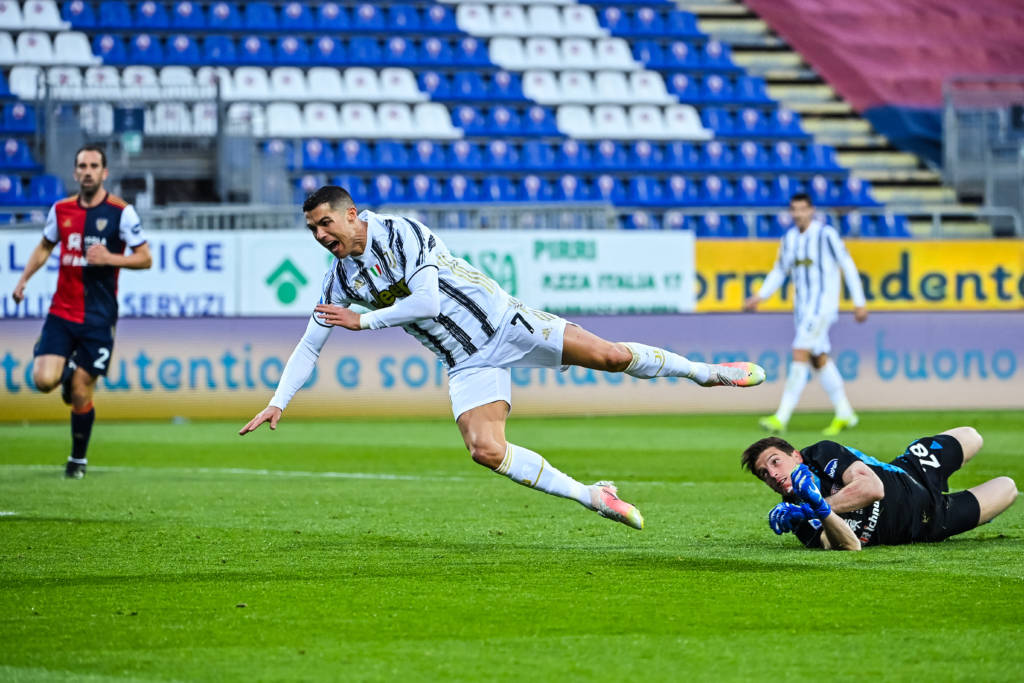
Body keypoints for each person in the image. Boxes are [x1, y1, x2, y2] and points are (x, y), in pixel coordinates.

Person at [240, 185, 767, 530]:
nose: (320, 235)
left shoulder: (400, 232)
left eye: (325, 223)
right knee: (485, 450)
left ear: (351, 215)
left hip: (504, 323)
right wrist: (279, 400)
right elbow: (310, 342)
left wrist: (364, 321)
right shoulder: (341, 278)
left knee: (608, 356)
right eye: (312, 229)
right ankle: (593, 495)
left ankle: (708, 374)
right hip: (467, 361)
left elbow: (426, 302)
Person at [11, 145, 151, 479]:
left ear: (104, 172)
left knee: (80, 388)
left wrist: (110, 258)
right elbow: (45, 246)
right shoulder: (60, 210)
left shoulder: (122, 212)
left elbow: (145, 257)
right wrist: (24, 279)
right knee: (44, 380)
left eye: (93, 166)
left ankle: (77, 460)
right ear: (75, 172)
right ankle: (66, 368)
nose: (87, 171)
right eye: (82, 166)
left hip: (99, 317)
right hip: (62, 311)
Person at [740, 428, 1018, 550]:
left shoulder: (821, 454)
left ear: (796, 456)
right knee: (1008, 487)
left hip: (912, 470)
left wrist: (814, 507)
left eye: (775, 462)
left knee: (971, 435)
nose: (773, 474)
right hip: (930, 520)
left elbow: (873, 488)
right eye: (764, 474)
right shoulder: (794, 516)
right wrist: (819, 511)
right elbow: (849, 546)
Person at [742, 192, 867, 436]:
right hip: (802, 308)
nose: (798, 214)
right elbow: (780, 271)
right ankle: (845, 413)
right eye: (794, 209)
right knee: (818, 358)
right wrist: (761, 296)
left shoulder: (826, 235)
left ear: (811, 210)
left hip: (822, 306)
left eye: (802, 209)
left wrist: (859, 302)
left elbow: (847, 265)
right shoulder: (789, 239)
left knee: (800, 352)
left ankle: (781, 417)